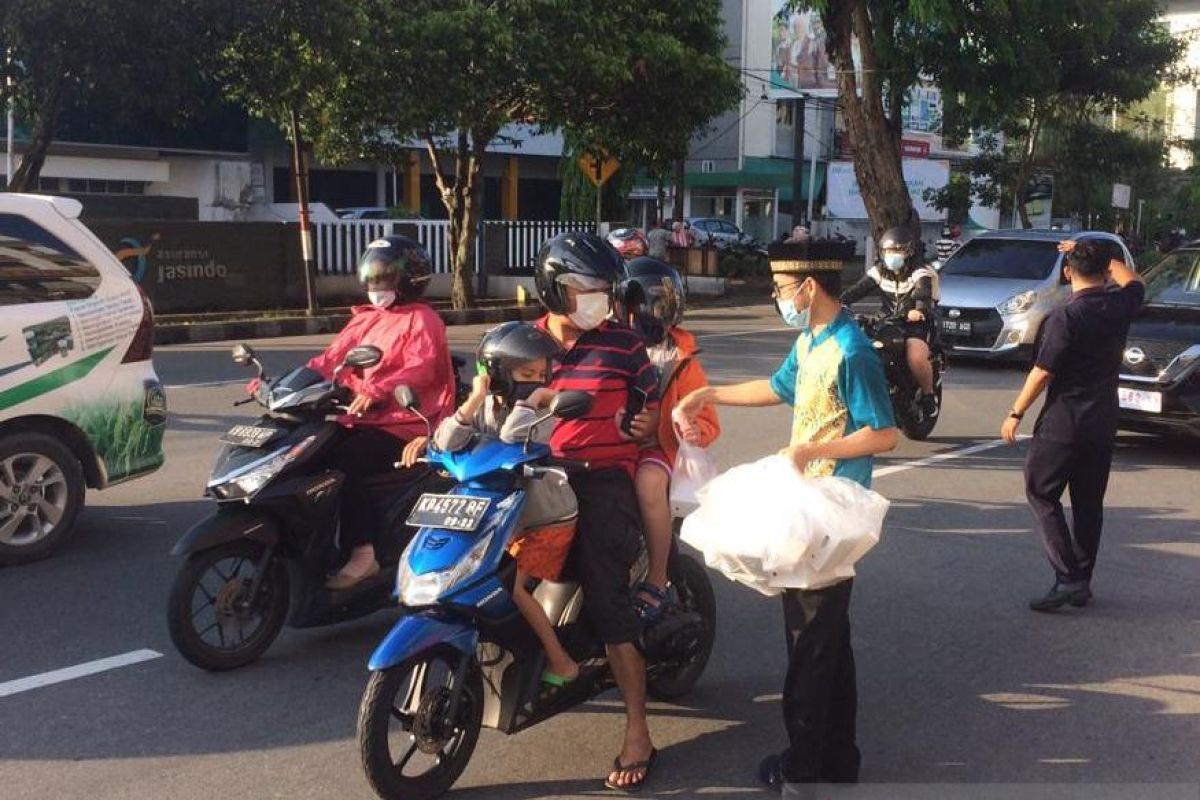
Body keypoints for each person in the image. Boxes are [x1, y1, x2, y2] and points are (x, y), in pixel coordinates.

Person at [676, 241, 898, 792]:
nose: (779, 298)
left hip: (832, 514)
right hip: (808, 506)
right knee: (828, 642)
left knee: (808, 644)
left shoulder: (852, 350)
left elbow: (885, 433)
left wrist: (809, 453)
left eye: (780, 289)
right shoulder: (812, 340)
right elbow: (778, 389)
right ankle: (838, 758)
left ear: (809, 288)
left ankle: (800, 767)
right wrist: (709, 394)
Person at [533, 231, 662, 792]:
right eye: (588, 289)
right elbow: (481, 399)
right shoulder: (521, 343)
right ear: (554, 290)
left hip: (601, 479)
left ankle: (638, 728)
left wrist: (647, 423)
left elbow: (650, 400)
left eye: (605, 291)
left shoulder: (624, 344)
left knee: (608, 595)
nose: (599, 301)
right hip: (532, 476)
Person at [432, 321, 580, 684]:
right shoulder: (484, 404)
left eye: (541, 373)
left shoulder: (544, 408)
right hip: (496, 514)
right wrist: (474, 399)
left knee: (510, 587)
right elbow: (445, 442)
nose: (537, 379)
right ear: (496, 372)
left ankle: (561, 661)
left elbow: (515, 436)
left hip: (544, 519)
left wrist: (532, 398)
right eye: (526, 372)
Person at [1001, 239, 1144, 611]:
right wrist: (1099, 253)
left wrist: (1016, 412)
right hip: (1103, 420)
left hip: (1064, 422)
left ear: (1067, 273)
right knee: (1088, 503)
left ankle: (1068, 577)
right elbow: (1134, 281)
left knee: (1041, 491)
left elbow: (1043, 371)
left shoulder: (1066, 316)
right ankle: (1082, 580)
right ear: (1104, 270)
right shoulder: (1120, 304)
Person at [307, 236, 457, 590]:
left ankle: (363, 553)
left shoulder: (423, 319)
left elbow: (420, 368)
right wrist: (283, 386)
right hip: (361, 417)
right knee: (309, 452)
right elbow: (330, 360)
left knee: (346, 463)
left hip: (404, 424)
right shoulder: (366, 320)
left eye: (385, 276)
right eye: (372, 276)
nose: (376, 285)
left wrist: (377, 389)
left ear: (409, 279)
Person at [613, 257, 720, 621]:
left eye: (663, 303)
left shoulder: (682, 356)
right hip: (609, 446)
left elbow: (707, 417)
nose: (654, 312)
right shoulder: (607, 344)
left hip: (657, 450)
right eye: (647, 303)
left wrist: (693, 429)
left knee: (648, 483)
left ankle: (657, 578)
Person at [842, 226, 941, 420]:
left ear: (909, 252)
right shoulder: (880, 271)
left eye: (896, 251)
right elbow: (858, 289)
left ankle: (929, 396)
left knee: (915, 356)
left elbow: (923, 293)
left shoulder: (921, 272)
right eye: (887, 252)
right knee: (858, 346)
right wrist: (837, 304)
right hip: (886, 321)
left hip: (915, 324)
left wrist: (918, 309)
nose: (890, 256)